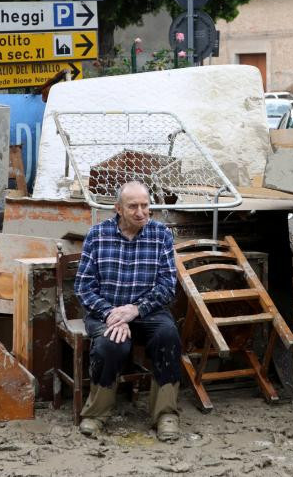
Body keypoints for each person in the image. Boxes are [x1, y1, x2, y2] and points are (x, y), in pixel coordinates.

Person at [74, 180, 182, 441]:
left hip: (147, 312)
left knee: (168, 335)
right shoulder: (97, 235)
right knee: (112, 344)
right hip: (106, 311)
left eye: (145, 206)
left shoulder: (161, 235)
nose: (141, 212)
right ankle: (95, 415)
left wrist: (135, 310)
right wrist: (113, 313)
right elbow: (83, 287)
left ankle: (166, 414)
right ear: (118, 209)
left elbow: (168, 285)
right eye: (133, 206)